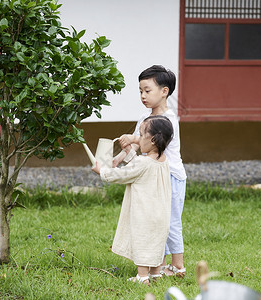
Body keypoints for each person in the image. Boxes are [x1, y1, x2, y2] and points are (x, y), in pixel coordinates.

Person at [113, 65, 187, 277]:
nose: (143, 95)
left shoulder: (169, 119)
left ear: (164, 91)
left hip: (170, 177)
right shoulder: (144, 118)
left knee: (170, 220)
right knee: (155, 219)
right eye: (140, 91)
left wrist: (134, 138)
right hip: (153, 177)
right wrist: (119, 158)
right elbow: (138, 143)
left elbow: (152, 139)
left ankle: (178, 266)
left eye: (148, 90)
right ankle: (159, 264)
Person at [92, 115, 174, 285]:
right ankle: (156, 274)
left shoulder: (143, 164)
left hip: (144, 215)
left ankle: (142, 277)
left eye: (141, 135)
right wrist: (130, 152)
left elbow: (122, 174)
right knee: (156, 242)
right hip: (161, 215)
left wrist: (102, 171)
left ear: (152, 140)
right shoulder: (163, 161)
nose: (138, 138)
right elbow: (138, 166)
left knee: (143, 242)